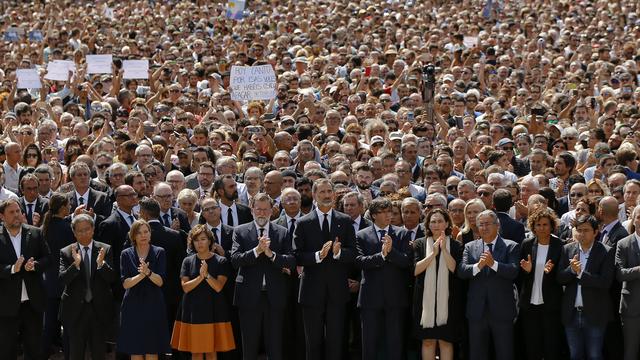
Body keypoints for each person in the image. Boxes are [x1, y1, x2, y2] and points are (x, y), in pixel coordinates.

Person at [293, 178, 356, 360]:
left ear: (334, 194)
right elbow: (296, 254)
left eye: (329, 191)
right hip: (312, 291)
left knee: (336, 341)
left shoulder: (344, 221)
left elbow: (353, 253)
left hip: (337, 291)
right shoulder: (303, 222)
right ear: (314, 195)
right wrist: (317, 256)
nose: (326, 195)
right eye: (322, 192)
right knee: (313, 341)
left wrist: (339, 253)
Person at [230, 192, 295, 359]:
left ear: (272, 211)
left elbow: (291, 260)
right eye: (258, 209)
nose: (262, 213)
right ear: (252, 210)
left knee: (275, 343)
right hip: (248, 296)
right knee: (249, 344)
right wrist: (257, 251)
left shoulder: (282, 232)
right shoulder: (240, 231)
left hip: (274, 295)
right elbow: (235, 260)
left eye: (265, 210)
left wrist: (271, 254)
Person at [458, 210, 520, 360]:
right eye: (481, 224)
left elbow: (513, 271)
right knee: (477, 354)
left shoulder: (511, 246)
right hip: (477, 311)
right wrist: (478, 266)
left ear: (497, 225)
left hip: (502, 310)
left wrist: (494, 264)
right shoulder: (470, 246)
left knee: (504, 353)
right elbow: (462, 271)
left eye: (487, 224)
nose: (484, 227)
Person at [355, 198, 411, 359]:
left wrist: (391, 251)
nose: (388, 215)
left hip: (395, 297)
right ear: (373, 215)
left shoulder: (402, 233)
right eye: (383, 212)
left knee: (394, 342)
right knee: (369, 343)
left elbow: (406, 262)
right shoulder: (361, 235)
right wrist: (381, 256)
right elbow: (359, 262)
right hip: (370, 297)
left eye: (390, 212)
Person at [171, 225, 235, 358]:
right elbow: (185, 287)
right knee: (196, 351)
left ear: (210, 241)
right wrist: (200, 277)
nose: (199, 243)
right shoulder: (187, 261)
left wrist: (206, 275)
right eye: (196, 240)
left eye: (203, 239)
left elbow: (218, 287)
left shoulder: (221, 261)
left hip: (214, 310)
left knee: (212, 351)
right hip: (193, 310)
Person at [557, 215, 615, 360]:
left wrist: (581, 274)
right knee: (575, 354)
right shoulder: (567, 249)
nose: (582, 234)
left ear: (596, 232)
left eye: (586, 230)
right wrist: (571, 271)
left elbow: (605, 282)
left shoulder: (606, 251)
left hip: (595, 314)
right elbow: (559, 278)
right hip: (571, 314)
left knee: (594, 355)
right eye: (579, 230)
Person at [59, 214, 116, 360]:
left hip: (99, 310)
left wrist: (101, 264)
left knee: (98, 353)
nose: (84, 233)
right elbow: (63, 279)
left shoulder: (105, 249)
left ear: (93, 229)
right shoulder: (66, 252)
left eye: (87, 229)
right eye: (80, 230)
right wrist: (75, 265)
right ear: (74, 232)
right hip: (76, 312)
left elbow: (112, 278)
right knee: (75, 353)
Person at [0, 198, 50, 360]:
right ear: (2, 216)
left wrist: (34, 265)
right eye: (11, 212)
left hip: (32, 302)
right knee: (6, 349)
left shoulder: (34, 233)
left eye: (18, 212)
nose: (17, 215)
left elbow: (48, 258)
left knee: (34, 348)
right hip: (6, 304)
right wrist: (12, 269)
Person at [413, 208, 463, 360]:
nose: (436, 225)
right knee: (428, 341)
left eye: (440, 221)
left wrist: (444, 250)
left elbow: (455, 268)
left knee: (445, 341)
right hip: (424, 302)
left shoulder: (455, 245)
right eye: (433, 221)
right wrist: (432, 254)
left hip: (448, 301)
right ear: (427, 225)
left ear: (447, 223)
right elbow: (415, 270)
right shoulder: (419, 244)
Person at [117, 219, 171, 358]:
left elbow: (160, 282)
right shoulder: (126, 254)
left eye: (146, 232)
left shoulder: (159, 252)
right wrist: (142, 275)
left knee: (152, 349)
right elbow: (126, 284)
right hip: (132, 305)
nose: (143, 235)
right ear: (133, 235)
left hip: (154, 304)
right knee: (135, 350)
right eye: (139, 233)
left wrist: (148, 273)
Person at [518, 207, 564, 360]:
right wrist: (527, 270)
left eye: (545, 224)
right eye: (538, 225)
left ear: (552, 226)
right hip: (530, 304)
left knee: (551, 344)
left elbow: (563, 276)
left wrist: (552, 272)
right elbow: (520, 274)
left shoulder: (560, 245)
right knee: (532, 344)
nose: (542, 228)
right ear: (533, 226)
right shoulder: (527, 244)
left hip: (551, 304)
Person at [41, 193, 74, 358]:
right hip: (64, 282)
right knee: (67, 324)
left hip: (48, 281)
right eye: (68, 205)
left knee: (49, 323)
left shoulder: (44, 227)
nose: (70, 208)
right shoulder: (67, 229)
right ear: (62, 208)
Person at [616, 204, 640, 360]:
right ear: (633, 219)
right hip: (632, 308)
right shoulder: (623, 244)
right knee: (630, 352)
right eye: (639, 217)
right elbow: (620, 274)